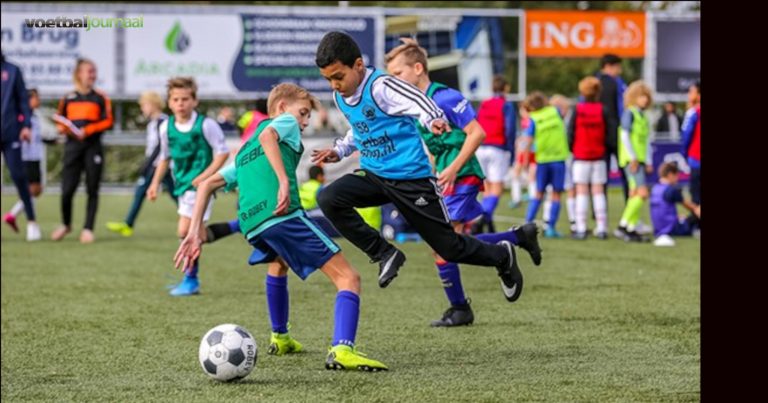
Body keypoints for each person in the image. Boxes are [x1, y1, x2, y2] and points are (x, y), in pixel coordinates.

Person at [174, 83, 388, 371]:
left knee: (278, 263)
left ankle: (280, 337)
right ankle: (342, 349)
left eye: (308, 115)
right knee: (349, 278)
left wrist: (193, 233)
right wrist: (284, 181)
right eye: (303, 113)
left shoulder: (246, 149)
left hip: (252, 224)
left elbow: (206, 184)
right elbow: (268, 134)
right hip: (282, 216)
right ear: (282, 108)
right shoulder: (282, 123)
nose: (305, 121)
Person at [311, 31, 525, 304]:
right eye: (328, 79)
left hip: (411, 179)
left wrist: (432, 118)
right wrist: (340, 150)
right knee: (329, 198)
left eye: (338, 77)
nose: (334, 85)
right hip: (375, 175)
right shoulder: (342, 96)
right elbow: (360, 129)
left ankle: (502, 255)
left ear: (358, 65)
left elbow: (416, 99)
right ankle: (384, 253)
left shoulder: (382, 85)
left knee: (449, 248)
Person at [385, 38, 541, 326]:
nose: (394, 81)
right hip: (445, 176)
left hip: (462, 173)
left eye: (397, 73)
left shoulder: (445, 97)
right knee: (446, 244)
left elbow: (477, 133)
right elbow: (435, 146)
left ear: (418, 68)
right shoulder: (417, 105)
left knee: (444, 244)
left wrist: (454, 168)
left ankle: (461, 306)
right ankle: (517, 238)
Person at [146, 77, 230, 296]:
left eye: (185, 99)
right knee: (199, 234)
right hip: (182, 186)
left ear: (194, 101)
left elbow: (222, 153)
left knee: (185, 231)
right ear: (169, 103)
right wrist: (154, 183)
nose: (180, 103)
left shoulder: (206, 125)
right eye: (176, 99)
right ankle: (237, 225)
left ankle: (191, 279)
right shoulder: (165, 127)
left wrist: (206, 177)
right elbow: (164, 157)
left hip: (202, 187)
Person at [51, 58, 113, 243]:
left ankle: (88, 228)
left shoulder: (101, 97)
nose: (92, 75)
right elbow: (60, 119)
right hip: (72, 147)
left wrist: (89, 130)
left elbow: (108, 121)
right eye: (89, 71)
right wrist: (62, 128)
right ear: (79, 74)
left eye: (94, 71)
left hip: (93, 147)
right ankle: (66, 224)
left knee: (92, 188)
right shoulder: (68, 98)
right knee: (67, 190)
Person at [106, 91, 176, 237]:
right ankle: (128, 224)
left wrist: (148, 163)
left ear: (153, 104)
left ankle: (128, 224)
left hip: (160, 165)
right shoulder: (153, 123)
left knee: (168, 193)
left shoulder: (163, 122)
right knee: (157, 192)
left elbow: (160, 147)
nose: (142, 109)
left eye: (144, 105)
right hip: (156, 165)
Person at [520, 92, 569, 238]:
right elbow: (565, 106)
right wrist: (555, 99)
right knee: (556, 194)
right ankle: (550, 228)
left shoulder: (534, 118)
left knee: (539, 193)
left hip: (542, 160)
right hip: (558, 159)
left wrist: (525, 160)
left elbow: (528, 141)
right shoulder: (555, 111)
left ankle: (526, 225)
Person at [567, 77, 610, 239]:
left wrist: (573, 149)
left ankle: (581, 227)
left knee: (581, 191)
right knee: (598, 191)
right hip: (598, 155)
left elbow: (570, 133)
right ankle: (601, 227)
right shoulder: (603, 110)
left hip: (581, 155)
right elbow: (609, 133)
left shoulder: (577, 109)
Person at [474, 75, 517, 233]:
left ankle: (488, 223)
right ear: (505, 87)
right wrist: (511, 152)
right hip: (497, 147)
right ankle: (483, 218)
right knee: (497, 187)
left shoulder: (484, 103)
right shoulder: (506, 105)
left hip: (481, 147)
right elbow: (510, 129)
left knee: (487, 187)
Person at [615, 81, 654, 242]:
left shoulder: (643, 116)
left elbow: (646, 141)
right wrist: (633, 157)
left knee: (634, 194)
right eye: (641, 96)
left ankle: (631, 228)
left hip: (640, 160)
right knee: (642, 193)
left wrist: (648, 160)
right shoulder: (629, 113)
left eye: (646, 97)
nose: (644, 100)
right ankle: (623, 226)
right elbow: (624, 136)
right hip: (632, 161)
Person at [3, 87, 43, 241]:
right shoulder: (21, 117)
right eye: (36, 97)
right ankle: (18, 217)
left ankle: (14, 215)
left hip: (35, 156)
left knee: (36, 190)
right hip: (26, 157)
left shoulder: (34, 117)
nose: (38, 100)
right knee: (32, 190)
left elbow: (37, 138)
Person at [596, 54, 629, 202]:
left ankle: (599, 210)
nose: (619, 71)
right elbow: (622, 108)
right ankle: (629, 206)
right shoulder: (616, 83)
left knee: (601, 176)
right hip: (616, 133)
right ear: (608, 66)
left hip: (600, 134)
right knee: (625, 173)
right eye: (618, 67)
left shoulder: (594, 82)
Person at [650, 162, 700, 247]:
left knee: (685, 217)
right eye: (676, 176)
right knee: (696, 213)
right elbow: (692, 207)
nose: (678, 179)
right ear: (670, 175)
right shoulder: (670, 190)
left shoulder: (655, 188)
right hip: (672, 229)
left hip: (658, 228)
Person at [681, 81, 700, 207]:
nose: (688, 95)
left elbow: (686, 136)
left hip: (696, 159)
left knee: (696, 196)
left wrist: (685, 154)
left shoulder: (693, 112)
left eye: (691, 92)